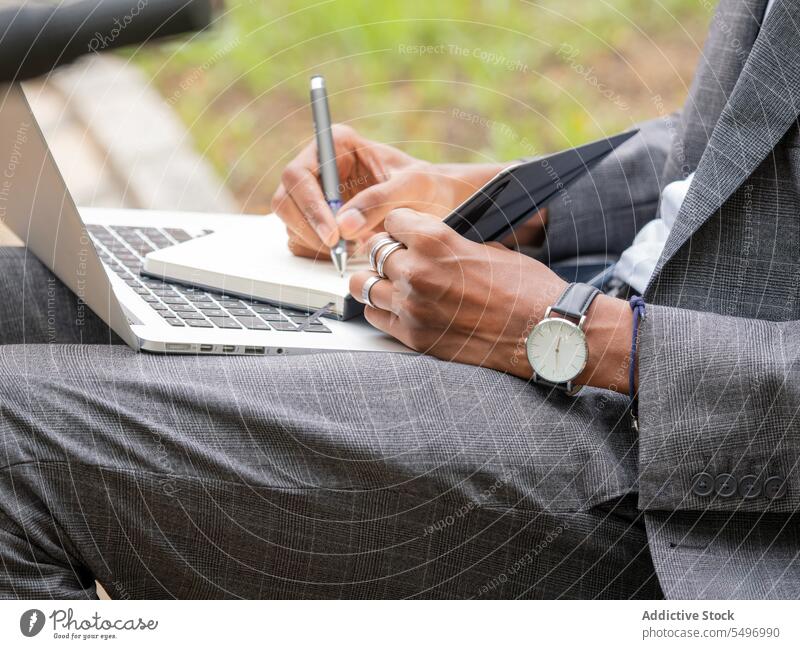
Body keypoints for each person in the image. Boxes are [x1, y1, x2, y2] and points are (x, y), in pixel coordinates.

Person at [0, 0, 797, 599]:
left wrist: (577, 334)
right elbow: (740, 143)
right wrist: (499, 198)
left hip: (693, 462)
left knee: (13, 438)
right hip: (605, 303)